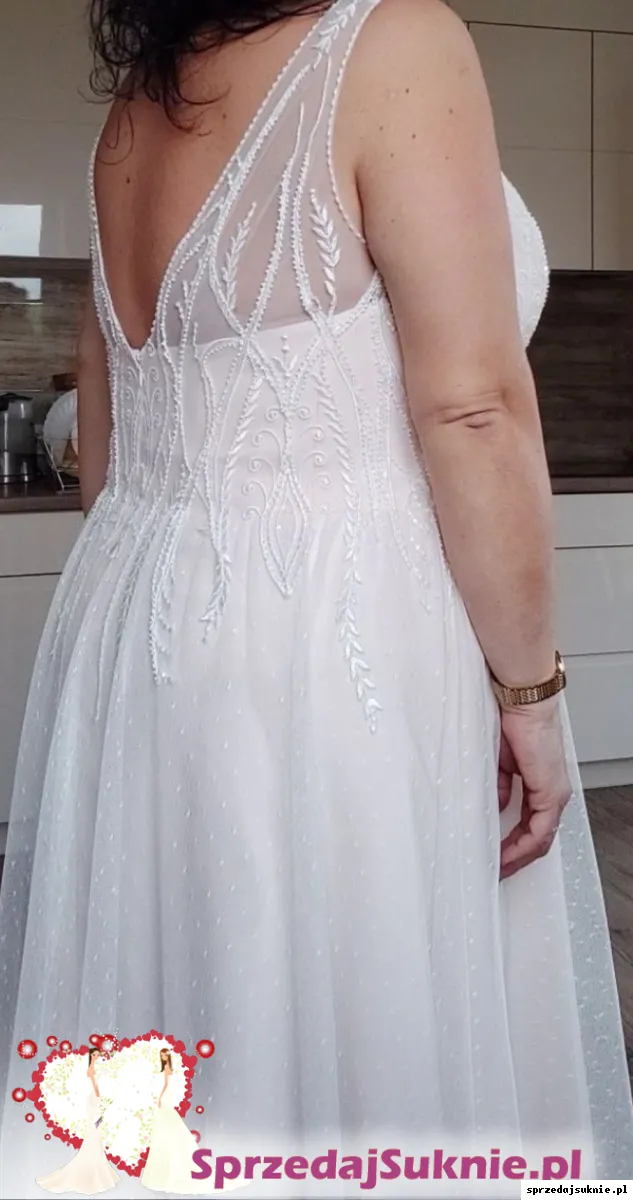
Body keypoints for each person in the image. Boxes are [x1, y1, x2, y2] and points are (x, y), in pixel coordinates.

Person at [0, 0, 632, 1195]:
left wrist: (176, 625)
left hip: (141, 613)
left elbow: (106, 429)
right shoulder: (398, 42)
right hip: (336, 628)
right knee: (355, 1003)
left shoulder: (137, 106)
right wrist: (532, 694)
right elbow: (472, 408)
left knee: (193, 1006)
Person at [35, 1049, 119, 1195]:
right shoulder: (91, 1069)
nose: (96, 1057)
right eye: (94, 1055)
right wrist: (99, 1099)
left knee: (97, 1131)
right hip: (93, 1100)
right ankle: (91, 1167)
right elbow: (94, 1087)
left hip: (95, 1100)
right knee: (95, 1130)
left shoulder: (95, 1068)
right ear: (91, 1056)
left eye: (97, 1055)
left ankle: (96, 1164)